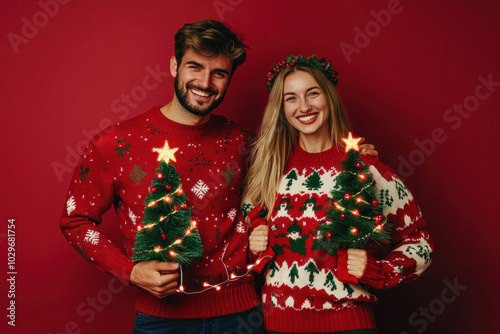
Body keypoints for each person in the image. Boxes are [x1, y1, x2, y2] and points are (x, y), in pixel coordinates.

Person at [60, 19, 264, 334]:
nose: (205, 82)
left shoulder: (243, 142)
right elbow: (75, 219)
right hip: (162, 320)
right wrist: (129, 271)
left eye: (219, 73)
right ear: (174, 65)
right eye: (194, 67)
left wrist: (355, 156)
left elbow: (287, 187)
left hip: (241, 316)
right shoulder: (116, 143)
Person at [244, 55, 434, 333]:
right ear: (281, 108)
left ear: (329, 98)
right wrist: (255, 243)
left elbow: (420, 243)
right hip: (278, 326)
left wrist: (377, 271)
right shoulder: (268, 172)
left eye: (313, 93)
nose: (304, 106)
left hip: (348, 324)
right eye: (291, 98)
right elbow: (241, 245)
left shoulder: (364, 168)